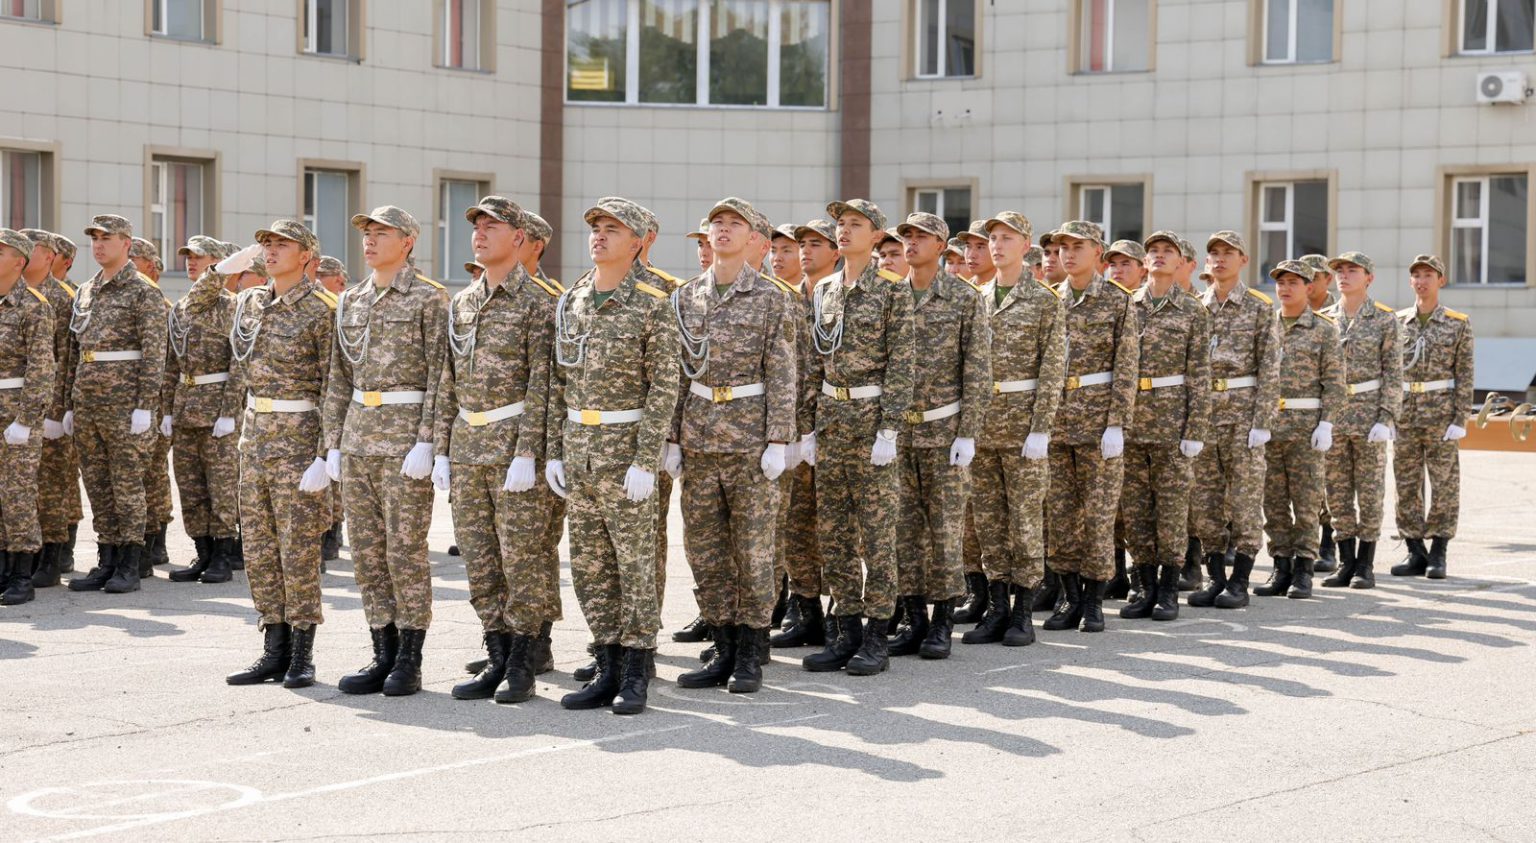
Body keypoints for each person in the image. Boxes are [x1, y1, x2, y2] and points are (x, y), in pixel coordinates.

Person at [547, 197, 680, 714]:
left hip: (625, 453)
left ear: (639, 242)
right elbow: (560, 382)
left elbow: (662, 388)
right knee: (590, 565)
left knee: (635, 564)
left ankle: (636, 670)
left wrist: (646, 460)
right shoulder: (574, 299)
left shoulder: (652, 303)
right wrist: (556, 451)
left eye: (613, 229)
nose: (599, 236)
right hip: (580, 450)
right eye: (596, 227)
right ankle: (605, 664)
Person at [663, 198, 797, 693]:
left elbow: (782, 370)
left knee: (754, 551)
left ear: (754, 238)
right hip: (700, 439)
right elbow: (677, 372)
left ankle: (751, 651)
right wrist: (672, 436)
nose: (722, 230)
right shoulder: (686, 297)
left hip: (749, 441)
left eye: (733, 223)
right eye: (716, 223)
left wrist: (778, 438)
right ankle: (721, 644)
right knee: (705, 550)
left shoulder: (771, 297)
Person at [436, 196, 563, 704]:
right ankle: (496, 652)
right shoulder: (463, 302)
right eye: (477, 226)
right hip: (469, 446)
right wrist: (442, 448)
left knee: (523, 560)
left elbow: (544, 385)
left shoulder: (538, 302)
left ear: (519, 238)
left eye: (493, 226)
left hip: (514, 449)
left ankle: (523, 661)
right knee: (481, 559)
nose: (481, 234)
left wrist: (528, 453)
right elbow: (448, 380)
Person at [325, 206, 448, 697]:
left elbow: (441, 375)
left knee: (405, 551)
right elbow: (339, 377)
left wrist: (428, 441)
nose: (371, 241)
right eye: (367, 233)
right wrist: (332, 443)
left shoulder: (429, 297)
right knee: (368, 553)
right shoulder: (352, 299)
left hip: (403, 442)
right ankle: (382, 652)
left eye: (382, 233)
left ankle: (410, 659)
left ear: (408, 241)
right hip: (359, 438)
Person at [802, 198, 914, 676]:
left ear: (877, 237)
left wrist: (889, 428)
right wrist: (807, 427)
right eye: (840, 224)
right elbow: (815, 362)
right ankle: (845, 630)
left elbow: (902, 365)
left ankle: (876, 637)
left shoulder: (892, 291)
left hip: (871, 422)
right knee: (835, 533)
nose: (843, 231)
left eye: (855, 224)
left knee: (877, 534)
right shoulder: (825, 289)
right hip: (832, 420)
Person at [222, 222, 335, 687]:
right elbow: (198, 306)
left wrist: (325, 454)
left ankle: (302, 653)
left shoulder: (322, 309)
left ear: (306, 254)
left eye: (281, 245)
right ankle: (273, 648)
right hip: (255, 438)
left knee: (298, 549)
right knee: (259, 547)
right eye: (266, 244)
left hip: (298, 440)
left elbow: (333, 386)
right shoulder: (250, 301)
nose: (270, 251)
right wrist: (223, 270)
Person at [888, 211, 990, 659]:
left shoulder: (964, 297)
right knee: (903, 531)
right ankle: (913, 619)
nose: (911, 243)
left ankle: (943, 621)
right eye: (906, 236)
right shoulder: (891, 295)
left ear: (941, 245)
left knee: (946, 532)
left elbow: (977, 369)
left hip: (944, 430)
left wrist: (968, 432)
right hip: (898, 434)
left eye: (921, 237)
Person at [961, 211, 1064, 647]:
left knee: (1024, 522)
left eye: (1007, 238)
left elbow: (1053, 369)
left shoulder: (1044, 300)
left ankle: (1023, 611)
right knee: (988, 522)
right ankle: (997, 607)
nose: (997, 245)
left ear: (1025, 246)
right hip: (983, 426)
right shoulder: (977, 298)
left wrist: (1041, 428)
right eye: (993, 239)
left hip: (1023, 427)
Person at [65, 216, 166, 595]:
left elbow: (155, 353)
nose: (98, 244)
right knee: (97, 483)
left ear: (126, 243)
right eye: (94, 238)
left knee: (127, 484)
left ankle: (130, 562)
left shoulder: (142, 290)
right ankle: (106, 559)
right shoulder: (86, 290)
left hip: (125, 404)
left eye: (107, 238)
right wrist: (70, 402)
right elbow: (76, 350)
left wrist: (146, 405)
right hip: (88, 401)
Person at [1116, 232, 1210, 622]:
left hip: (1172, 421)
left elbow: (1200, 375)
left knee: (1171, 509)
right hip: (1131, 421)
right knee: (1135, 509)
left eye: (1167, 252)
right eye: (1152, 251)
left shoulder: (1192, 310)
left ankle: (1169, 588)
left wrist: (1195, 429)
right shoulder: (1127, 304)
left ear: (1180, 262)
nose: (1158, 256)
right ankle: (1143, 586)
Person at [1187, 231, 1280, 609]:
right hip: (1204, 416)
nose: (1220, 259)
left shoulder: (1259, 307)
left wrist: (1263, 421)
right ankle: (1215, 579)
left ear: (1243, 260)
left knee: (1244, 501)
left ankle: (1240, 581)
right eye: (1214, 253)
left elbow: (1270, 367)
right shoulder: (1196, 307)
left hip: (1243, 416)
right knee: (1205, 501)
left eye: (1229, 253)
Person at [1252, 260, 1343, 600]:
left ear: (1309, 287)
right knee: (1273, 502)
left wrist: (1327, 423)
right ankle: (1281, 566)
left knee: (1306, 502)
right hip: (1269, 426)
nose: (1285, 288)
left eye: (1293, 282)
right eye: (1281, 282)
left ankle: (1304, 568)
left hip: (1306, 428)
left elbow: (1335, 383)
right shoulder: (1266, 326)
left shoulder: (1324, 329)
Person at [770, 218, 840, 649]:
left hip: (836, 427)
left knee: (838, 525)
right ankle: (805, 606)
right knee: (795, 524)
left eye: (816, 244)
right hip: (793, 429)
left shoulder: (844, 298)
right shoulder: (784, 300)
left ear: (835, 251)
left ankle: (842, 610)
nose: (804, 251)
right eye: (801, 245)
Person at [1314, 252, 1401, 590]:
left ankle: (1365, 564)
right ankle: (1346, 561)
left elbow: (1393, 373)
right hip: (1334, 417)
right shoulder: (1325, 320)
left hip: (1368, 417)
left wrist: (1386, 417)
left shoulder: (1384, 319)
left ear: (1369, 278)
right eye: (1340, 270)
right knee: (1335, 492)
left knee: (1369, 492)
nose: (1344, 275)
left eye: (1353, 270)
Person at [163, 236, 243, 585]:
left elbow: (240, 363)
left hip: (216, 409)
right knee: (190, 485)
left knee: (221, 486)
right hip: (185, 407)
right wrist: (167, 410)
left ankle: (224, 555)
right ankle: (203, 552)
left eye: (199, 257)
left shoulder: (231, 306)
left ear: (219, 263)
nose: (191, 263)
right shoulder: (181, 307)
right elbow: (171, 362)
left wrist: (230, 411)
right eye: (188, 257)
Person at [1391, 255, 1473, 580]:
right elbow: (1389, 371)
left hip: (1441, 414)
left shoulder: (1457, 323)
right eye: (1416, 275)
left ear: (1441, 280)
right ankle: (1415, 551)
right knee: (1406, 484)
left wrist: (1461, 418)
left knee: (1444, 484)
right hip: (1404, 413)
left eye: (1428, 275)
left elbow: (1465, 374)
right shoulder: (1397, 322)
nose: (1421, 281)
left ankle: (1439, 551)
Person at [19, 230, 82, 587]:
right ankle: (23, 552)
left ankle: (53, 555)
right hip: (17, 405)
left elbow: (68, 360)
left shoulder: (63, 298)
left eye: (33, 249)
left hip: (51, 407)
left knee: (53, 483)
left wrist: (60, 411)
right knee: (20, 485)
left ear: (50, 257)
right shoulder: (13, 292)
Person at [0, 229, 55, 605]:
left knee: (17, 494)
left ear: (19, 262)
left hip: (15, 412)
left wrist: (26, 419)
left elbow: (41, 368)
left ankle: (22, 573)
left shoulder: (34, 306)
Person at [130, 238, 176, 575]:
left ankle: (156, 536)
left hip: (155, 400)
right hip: (132, 400)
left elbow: (167, 362)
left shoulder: (160, 303)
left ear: (151, 266)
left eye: (135, 258)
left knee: (154, 472)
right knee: (143, 473)